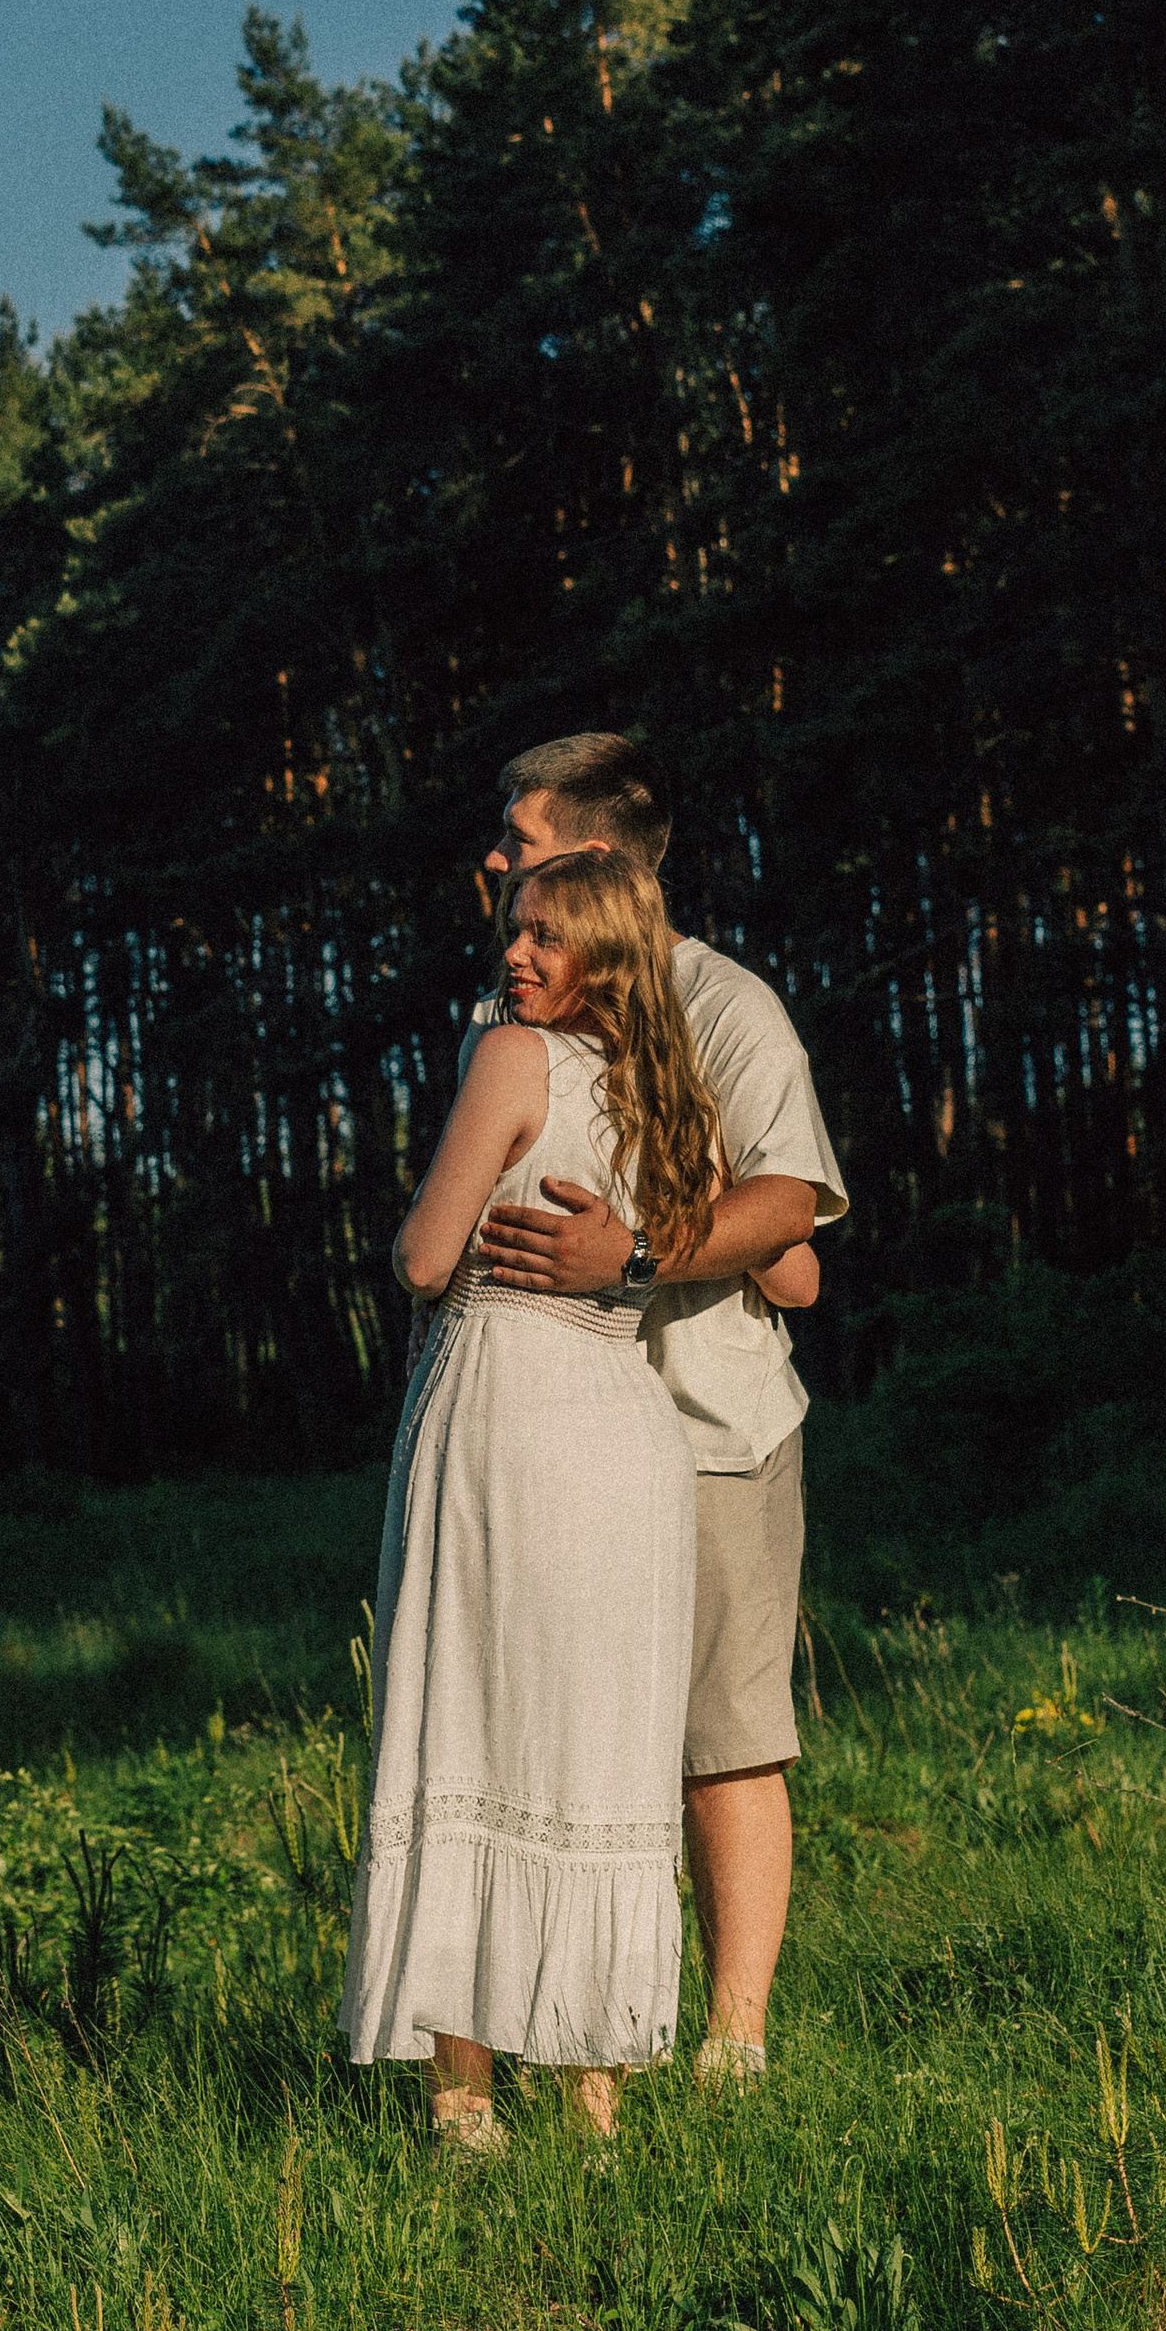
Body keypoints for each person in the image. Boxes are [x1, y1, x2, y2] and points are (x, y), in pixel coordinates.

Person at [341, 854, 816, 2149]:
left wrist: (406, 1242)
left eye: (547, 938)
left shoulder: (508, 1060)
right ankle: (593, 2092)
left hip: (508, 1408)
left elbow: (431, 1259)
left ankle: (464, 2099)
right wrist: (656, 1240)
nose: (516, 957)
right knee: (595, 1748)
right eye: (512, 933)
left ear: (605, 954)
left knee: (473, 1724)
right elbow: (798, 1277)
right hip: (631, 1435)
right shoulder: (675, 1094)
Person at [468, 732, 846, 2086]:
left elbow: (788, 1213)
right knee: (555, 1742)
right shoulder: (513, 1017)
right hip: (547, 1443)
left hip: (705, 1435)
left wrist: (625, 1253)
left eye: (518, 845)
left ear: (602, 859)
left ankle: (731, 2044)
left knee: (721, 1743)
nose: (494, 867)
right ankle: (568, 2037)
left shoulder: (727, 1006)